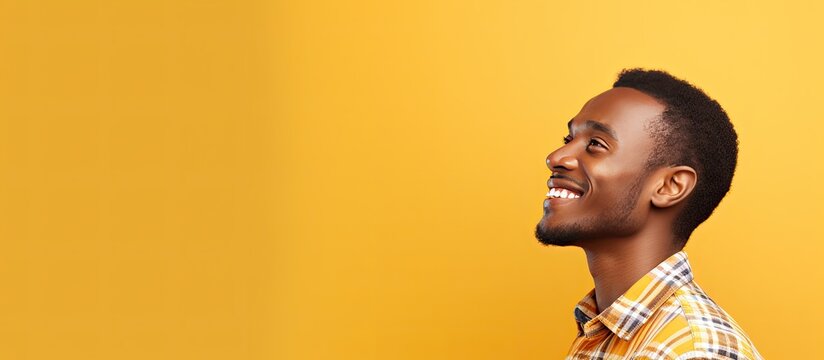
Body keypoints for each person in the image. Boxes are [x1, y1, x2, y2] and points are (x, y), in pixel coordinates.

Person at [534, 69, 763, 359]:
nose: (556, 157)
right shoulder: (605, 328)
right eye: (569, 139)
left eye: (595, 145)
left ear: (669, 186)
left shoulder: (692, 352)